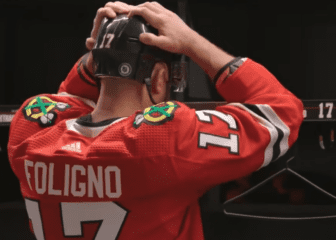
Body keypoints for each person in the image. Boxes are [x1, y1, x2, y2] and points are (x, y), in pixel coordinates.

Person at [7, 1, 304, 239]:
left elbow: (71, 95)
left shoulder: (30, 128)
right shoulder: (163, 137)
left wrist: (107, 44)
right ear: (160, 78)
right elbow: (281, 114)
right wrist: (191, 43)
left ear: (96, 65)